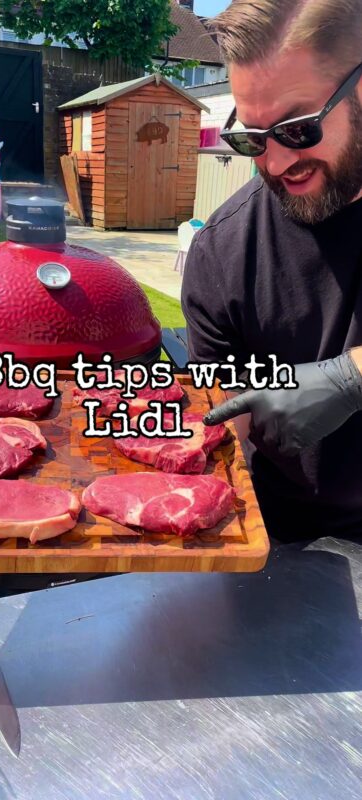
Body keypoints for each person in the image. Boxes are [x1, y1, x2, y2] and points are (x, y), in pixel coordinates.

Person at [181, 0, 362, 542]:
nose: (276, 162)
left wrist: (350, 378)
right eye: (252, 138)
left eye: (299, 129)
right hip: (282, 533)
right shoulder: (223, 252)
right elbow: (224, 416)